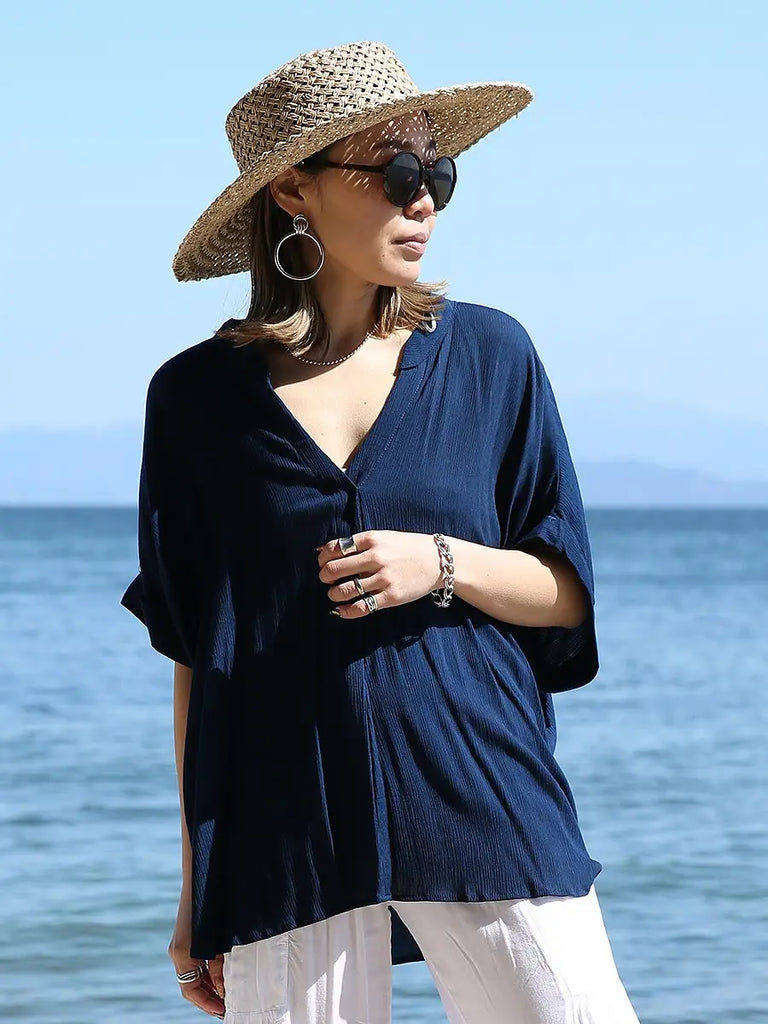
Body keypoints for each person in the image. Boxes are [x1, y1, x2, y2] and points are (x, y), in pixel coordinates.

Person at [121, 40, 641, 1024]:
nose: (425, 200)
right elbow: (198, 654)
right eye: (397, 172)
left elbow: (566, 592)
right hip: (281, 829)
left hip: (482, 790)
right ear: (293, 190)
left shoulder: (491, 356)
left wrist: (439, 562)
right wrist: (198, 888)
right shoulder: (195, 401)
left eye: (438, 173)